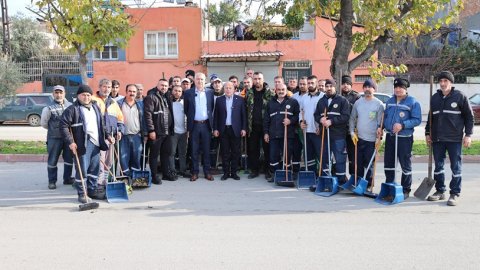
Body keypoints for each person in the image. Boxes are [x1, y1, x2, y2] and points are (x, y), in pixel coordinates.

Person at [425, 71, 474, 206]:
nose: (442, 83)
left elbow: (469, 117)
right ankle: (440, 191)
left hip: (454, 139)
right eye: (440, 81)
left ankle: (454, 193)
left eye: (445, 81)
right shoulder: (434, 98)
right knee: (438, 167)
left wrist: (468, 135)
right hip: (438, 139)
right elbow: (431, 118)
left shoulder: (460, 97)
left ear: (451, 82)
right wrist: (427, 134)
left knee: (455, 167)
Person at [60, 85, 109, 203]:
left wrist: (107, 136)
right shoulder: (72, 109)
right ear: (78, 96)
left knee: (94, 169)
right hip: (82, 144)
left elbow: (101, 124)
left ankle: (92, 190)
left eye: (88, 95)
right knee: (82, 170)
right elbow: (63, 126)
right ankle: (82, 194)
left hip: (96, 143)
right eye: (83, 95)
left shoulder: (95, 107)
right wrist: (70, 142)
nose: (86, 97)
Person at [381, 78, 422, 199]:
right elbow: (386, 117)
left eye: (401, 87)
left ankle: (405, 189)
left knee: (405, 164)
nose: (398, 89)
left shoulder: (413, 102)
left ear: (406, 89)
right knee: (389, 163)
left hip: (404, 138)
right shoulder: (389, 101)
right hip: (391, 136)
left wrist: (403, 125)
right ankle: (389, 186)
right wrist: (381, 127)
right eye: (396, 87)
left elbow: (417, 120)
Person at [349, 79, 384, 189]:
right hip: (358, 139)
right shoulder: (358, 102)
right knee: (358, 163)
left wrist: (380, 137)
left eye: (370, 87)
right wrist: (351, 132)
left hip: (372, 140)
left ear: (374, 89)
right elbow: (352, 118)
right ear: (363, 89)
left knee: (369, 165)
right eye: (365, 87)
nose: (367, 89)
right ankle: (358, 182)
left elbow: (380, 123)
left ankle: (369, 185)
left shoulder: (379, 104)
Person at [314, 79, 350, 184]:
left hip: (338, 135)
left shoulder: (342, 101)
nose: (329, 88)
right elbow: (316, 115)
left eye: (331, 86)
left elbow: (345, 117)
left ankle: (341, 180)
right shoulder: (321, 101)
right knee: (324, 158)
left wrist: (331, 121)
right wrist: (320, 119)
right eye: (327, 86)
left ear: (335, 87)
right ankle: (326, 179)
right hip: (324, 135)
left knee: (340, 159)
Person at [92, 78, 124, 189]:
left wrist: (120, 130)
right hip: (98, 137)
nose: (107, 89)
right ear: (99, 87)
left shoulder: (113, 102)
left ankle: (105, 181)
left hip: (112, 137)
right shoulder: (93, 100)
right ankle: (98, 183)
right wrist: (107, 135)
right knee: (100, 162)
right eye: (104, 86)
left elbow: (120, 118)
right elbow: (98, 121)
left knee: (109, 161)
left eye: (109, 87)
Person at [263, 83, 300, 182]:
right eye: (279, 89)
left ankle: (287, 175)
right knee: (273, 156)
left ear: (286, 90)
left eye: (283, 89)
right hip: (273, 134)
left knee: (287, 155)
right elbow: (266, 119)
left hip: (287, 134)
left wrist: (290, 121)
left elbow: (297, 115)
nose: (281, 91)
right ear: (275, 90)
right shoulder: (270, 103)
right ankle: (275, 174)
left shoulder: (293, 102)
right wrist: (266, 132)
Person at [40, 85, 74, 189]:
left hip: (68, 138)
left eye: (61, 93)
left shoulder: (71, 105)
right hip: (54, 138)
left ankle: (67, 179)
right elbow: (44, 123)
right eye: (56, 93)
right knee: (52, 160)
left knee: (69, 159)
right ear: (53, 94)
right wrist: (54, 130)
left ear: (64, 94)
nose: (58, 95)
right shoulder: (48, 108)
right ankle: (52, 181)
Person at [184, 72, 215, 181]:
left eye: (202, 79)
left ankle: (207, 172)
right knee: (194, 150)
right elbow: (186, 110)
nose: (200, 81)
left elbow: (211, 108)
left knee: (207, 150)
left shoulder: (210, 93)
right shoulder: (188, 93)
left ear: (205, 80)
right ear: (194, 81)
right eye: (198, 79)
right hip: (194, 125)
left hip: (206, 125)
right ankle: (195, 172)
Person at [144, 78, 176, 184]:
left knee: (165, 153)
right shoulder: (151, 97)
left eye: (166, 86)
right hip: (156, 132)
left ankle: (166, 174)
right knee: (154, 155)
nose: (164, 87)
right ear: (157, 86)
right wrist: (151, 130)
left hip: (167, 132)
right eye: (162, 85)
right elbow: (148, 115)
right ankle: (154, 176)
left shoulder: (167, 96)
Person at [213, 82, 247, 180]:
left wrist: (244, 128)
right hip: (223, 129)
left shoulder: (240, 100)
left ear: (234, 89)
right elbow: (216, 116)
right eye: (226, 88)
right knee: (225, 152)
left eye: (230, 88)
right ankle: (226, 173)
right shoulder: (219, 100)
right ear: (224, 89)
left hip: (235, 129)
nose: (228, 90)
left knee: (236, 152)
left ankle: (234, 172)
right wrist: (215, 128)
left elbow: (243, 115)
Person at [246, 72, 274, 180]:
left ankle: (267, 170)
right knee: (253, 149)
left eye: (259, 78)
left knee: (267, 149)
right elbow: (246, 108)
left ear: (263, 79)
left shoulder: (270, 93)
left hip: (266, 126)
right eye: (255, 79)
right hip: (252, 126)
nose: (257, 81)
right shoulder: (249, 92)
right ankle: (255, 170)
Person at [117, 84, 147, 177]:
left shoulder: (140, 104)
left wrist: (145, 134)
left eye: (134, 91)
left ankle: (135, 177)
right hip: (123, 136)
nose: (132, 93)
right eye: (130, 91)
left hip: (136, 135)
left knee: (136, 157)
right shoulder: (119, 104)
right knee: (123, 158)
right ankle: (126, 177)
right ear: (126, 92)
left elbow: (144, 120)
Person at [300, 75, 324, 174]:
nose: (310, 85)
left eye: (312, 83)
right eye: (308, 83)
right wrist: (301, 122)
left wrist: (321, 127)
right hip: (307, 131)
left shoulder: (323, 96)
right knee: (308, 155)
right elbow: (301, 111)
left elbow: (324, 114)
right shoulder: (304, 97)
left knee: (321, 155)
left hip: (318, 131)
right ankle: (311, 175)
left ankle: (322, 175)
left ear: (317, 84)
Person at [340, 75, 360, 178]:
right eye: (343, 83)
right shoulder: (338, 96)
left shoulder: (357, 97)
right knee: (340, 156)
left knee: (353, 156)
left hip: (352, 132)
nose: (345, 86)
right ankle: (341, 177)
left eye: (348, 84)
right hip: (339, 131)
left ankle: (353, 177)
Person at [169, 85, 190, 178]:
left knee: (183, 153)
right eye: (175, 90)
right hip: (173, 132)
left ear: (182, 93)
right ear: (172, 91)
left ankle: (183, 170)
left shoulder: (184, 103)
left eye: (179, 91)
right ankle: (172, 170)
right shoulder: (168, 103)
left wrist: (188, 130)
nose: (177, 92)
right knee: (172, 153)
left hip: (184, 132)